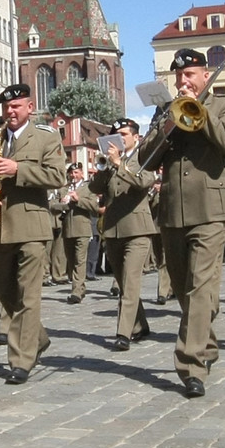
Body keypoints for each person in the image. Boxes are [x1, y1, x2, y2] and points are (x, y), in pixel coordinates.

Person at [136, 48, 225, 398]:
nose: (183, 82)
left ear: (204, 74)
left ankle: (190, 364)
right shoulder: (165, 110)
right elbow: (146, 160)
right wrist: (167, 124)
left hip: (211, 209)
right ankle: (207, 343)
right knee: (183, 288)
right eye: (179, 77)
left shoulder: (224, 105)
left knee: (198, 286)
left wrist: (201, 111)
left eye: (190, 75)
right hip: (172, 211)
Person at [0, 83, 66, 385]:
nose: (11, 112)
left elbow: (56, 176)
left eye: (16, 107)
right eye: (7, 108)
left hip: (31, 226)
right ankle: (37, 338)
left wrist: (18, 169)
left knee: (29, 296)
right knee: (7, 295)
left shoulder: (45, 138)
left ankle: (20, 360)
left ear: (29, 107)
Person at [89, 118, 156, 352]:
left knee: (129, 282)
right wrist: (103, 167)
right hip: (114, 229)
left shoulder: (144, 158)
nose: (120, 138)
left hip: (138, 229)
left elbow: (143, 182)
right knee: (124, 280)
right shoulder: (109, 162)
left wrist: (119, 164)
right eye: (116, 135)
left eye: (124, 135)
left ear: (136, 137)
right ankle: (141, 325)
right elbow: (94, 189)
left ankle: (123, 333)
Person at [59, 163, 98, 305]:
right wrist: (64, 203)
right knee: (71, 261)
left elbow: (94, 207)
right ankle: (81, 287)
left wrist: (78, 200)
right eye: (71, 173)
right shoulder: (64, 188)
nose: (73, 176)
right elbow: (53, 206)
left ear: (81, 173)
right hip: (68, 229)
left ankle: (76, 291)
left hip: (82, 229)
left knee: (79, 260)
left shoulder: (88, 188)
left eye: (76, 173)